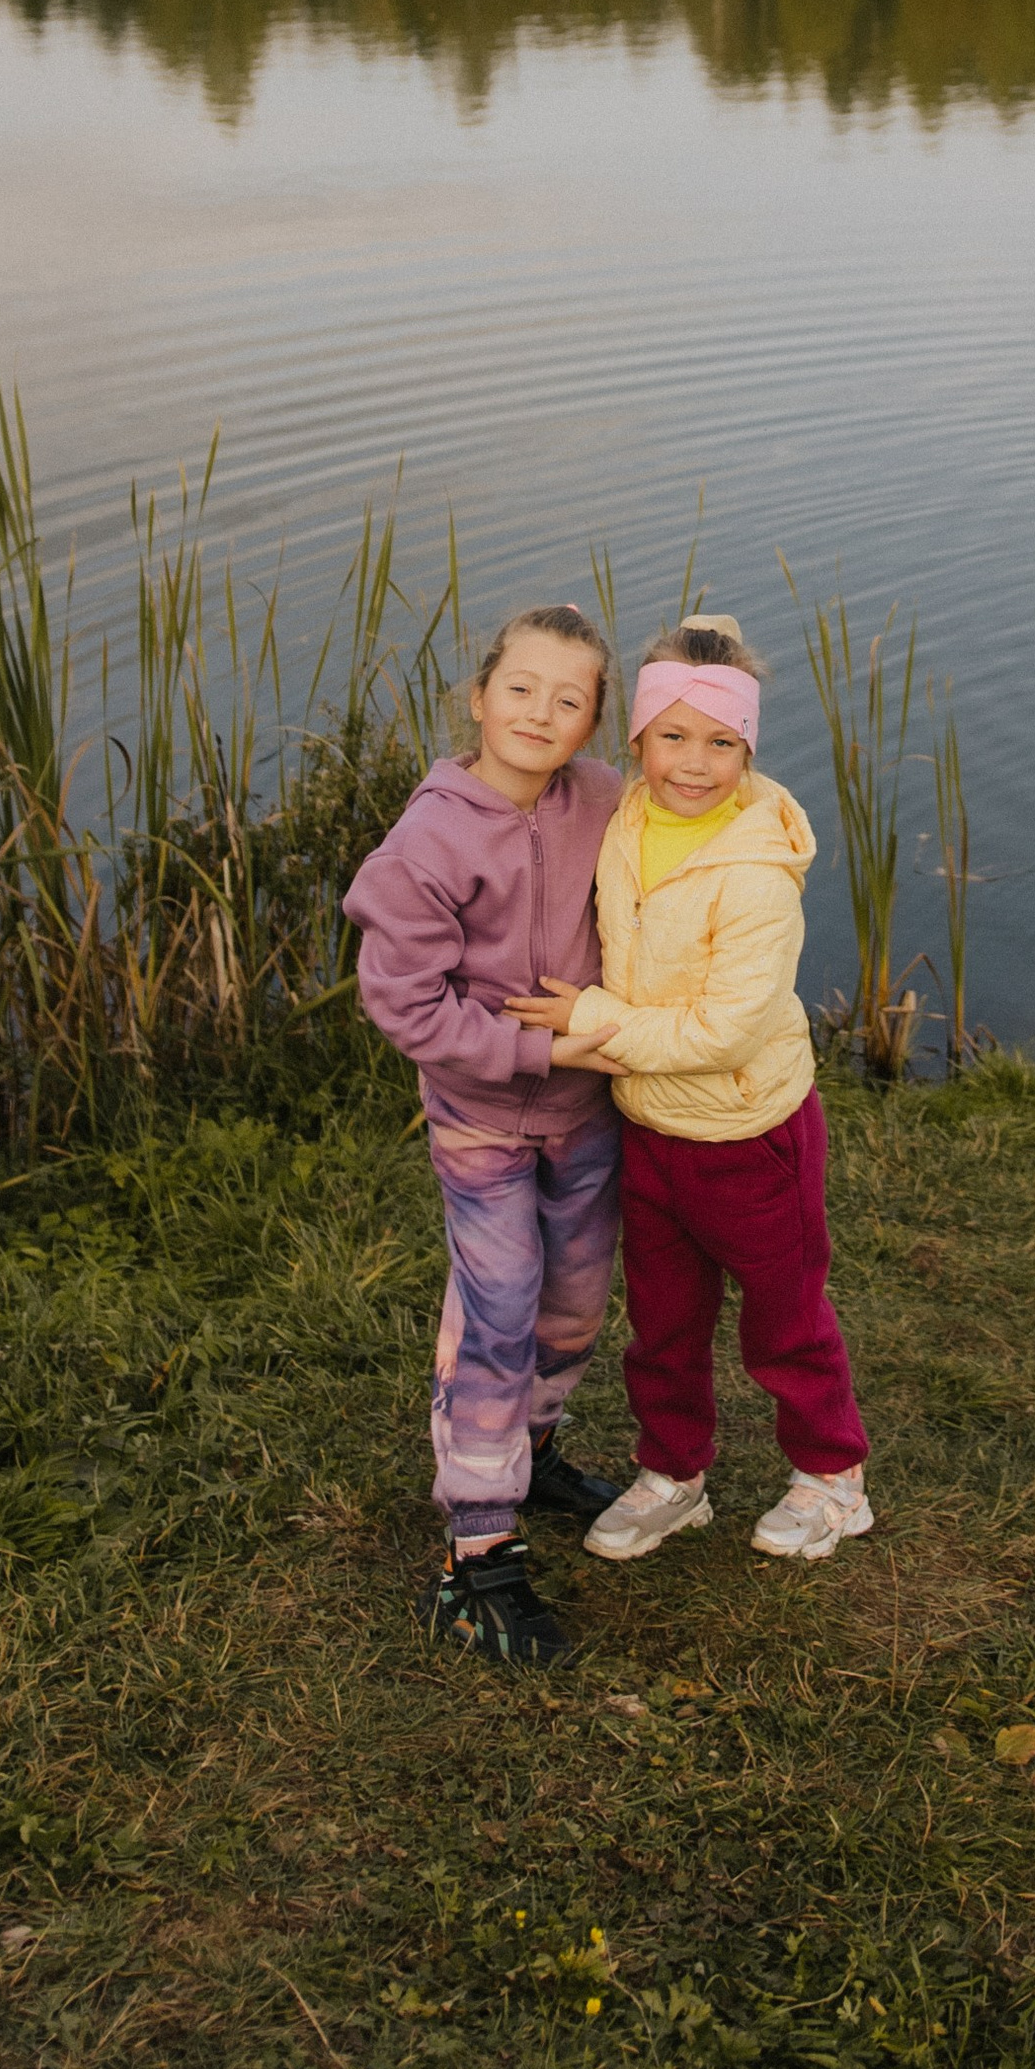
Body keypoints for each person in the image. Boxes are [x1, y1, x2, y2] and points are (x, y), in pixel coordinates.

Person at [506, 616, 871, 1566]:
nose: (695, 764)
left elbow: (724, 1031)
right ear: (636, 741)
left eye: (722, 743)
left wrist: (592, 1023)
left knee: (784, 1319)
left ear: (749, 749)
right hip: (651, 1129)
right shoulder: (625, 814)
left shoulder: (754, 877)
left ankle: (833, 1480)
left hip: (750, 1130)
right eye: (672, 736)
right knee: (662, 1325)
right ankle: (675, 1476)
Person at [344, 602, 626, 1667]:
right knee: (496, 1321)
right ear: (477, 695)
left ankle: (532, 1456)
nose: (539, 712)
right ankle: (476, 1558)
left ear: (595, 722)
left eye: (569, 699)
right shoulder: (431, 837)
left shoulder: (604, 801)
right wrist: (550, 1051)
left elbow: (698, 823)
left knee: (573, 1308)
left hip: (588, 1120)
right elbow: (406, 1007)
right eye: (520, 688)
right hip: (484, 1126)